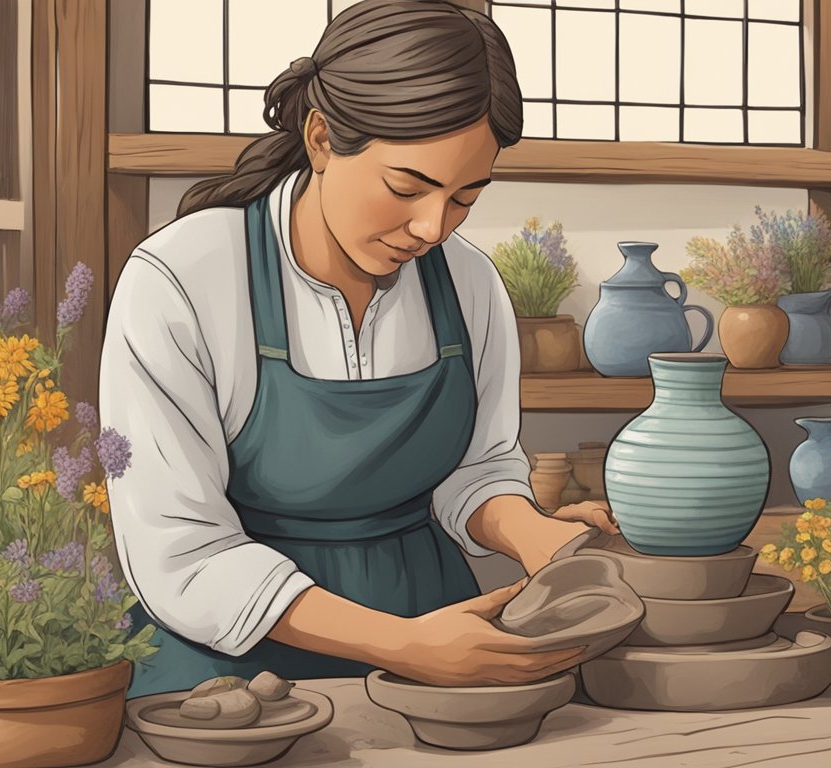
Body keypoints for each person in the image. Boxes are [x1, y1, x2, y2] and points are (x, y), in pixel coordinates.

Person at [99, 0, 618, 699]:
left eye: (466, 197)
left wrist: (536, 536)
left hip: (439, 628)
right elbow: (180, 550)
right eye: (407, 188)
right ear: (320, 139)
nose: (433, 226)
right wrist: (403, 645)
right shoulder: (184, 278)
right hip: (232, 666)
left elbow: (477, 470)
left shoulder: (468, 283)